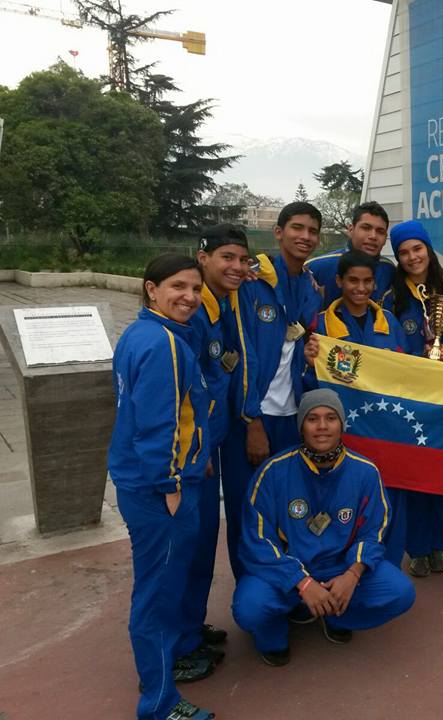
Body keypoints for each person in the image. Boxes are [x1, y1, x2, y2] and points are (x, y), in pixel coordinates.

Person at [231, 389, 415, 666]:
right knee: (249, 609)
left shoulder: (364, 471)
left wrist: (352, 574)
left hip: (338, 569)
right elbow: (257, 540)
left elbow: (374, 532)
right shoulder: (273, 472)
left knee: (400, 593)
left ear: (341, 424)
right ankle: (276, 628)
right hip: (287, 572)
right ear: (301, 426)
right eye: (312, 418)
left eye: (330, 418)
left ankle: (334, 612)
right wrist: (301, 582)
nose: (322, 426)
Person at [108, 254, 215, 720]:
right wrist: (171, 482)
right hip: (158, 490)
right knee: (156, 594)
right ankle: (158, 703)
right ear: (151, 289)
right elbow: (158, 424)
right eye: (177, 287)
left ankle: (163, 676)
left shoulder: (143, 333)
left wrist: (197, 459)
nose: (188, 297)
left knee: (161, 588)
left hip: (148, 481)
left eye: (194, 288)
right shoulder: (162, 344)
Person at [220, 202, 323, 580]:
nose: (305, 237)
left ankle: (290, 588)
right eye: (296, 228)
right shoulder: (252, 282)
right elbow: (243, 354)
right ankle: (253, 595)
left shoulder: (310, 287)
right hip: (252, 419)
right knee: (247, 510)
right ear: (278, 233)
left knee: (290, 508)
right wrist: (252, 420)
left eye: (312, 231)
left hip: (291, 418)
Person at [173, 225, 251, 675]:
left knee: (203, 543)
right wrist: (193, 454)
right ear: (202, 257)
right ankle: (179, 649)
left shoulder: (222, 307)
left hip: (212, 444)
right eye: (226, 257)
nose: (236, 267)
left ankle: (190, 628)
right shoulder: (193, 314)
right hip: (193, 456)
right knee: (190, 545)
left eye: (242, 259)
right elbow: (185, 391)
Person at [305, 249, 408, 567]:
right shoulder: (321, 324)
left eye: (367, 281)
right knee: (346, 501)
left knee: (391, 500)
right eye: (353, 281)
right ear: (339, 281)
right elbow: (308, 384)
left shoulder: (389, 322)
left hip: (385, 431)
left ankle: (385, 567)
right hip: (342, 434)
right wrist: (309, 362)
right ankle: (340, 566)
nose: (361, 288)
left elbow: (407, 374)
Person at [380, 220, 443, 578]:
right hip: (407, 399)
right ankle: (417, 548)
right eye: (404, 252)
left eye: (417, 249)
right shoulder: (392, 297)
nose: (412, 257)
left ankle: (438, 543)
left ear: (428, 249)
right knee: (410, 479)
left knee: (439, 477)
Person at [304, 201, 395, 308]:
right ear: (351, 230)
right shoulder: (317, 267)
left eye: (380, 231)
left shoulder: (389, 269)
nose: (373, 236)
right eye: (366, 228)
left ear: (385, 238)